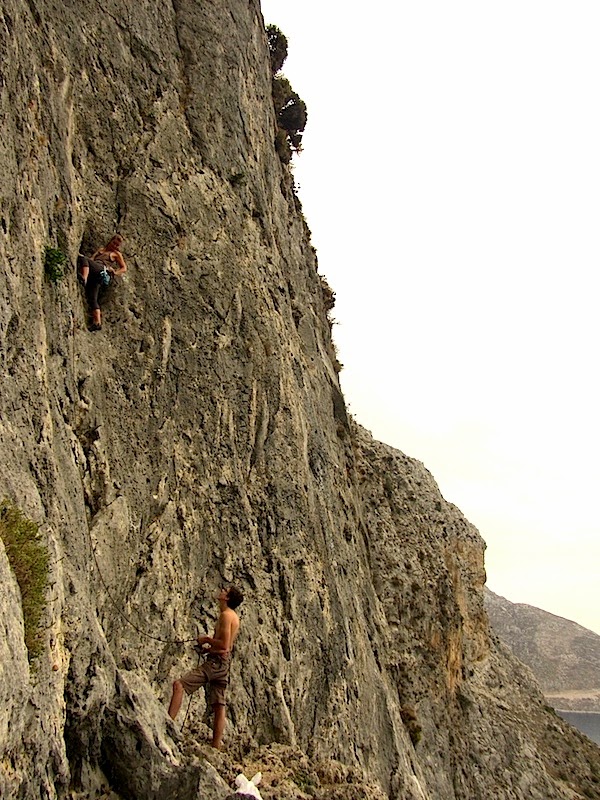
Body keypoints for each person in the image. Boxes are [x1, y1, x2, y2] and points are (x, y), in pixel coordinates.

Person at [168, 586, 244, 749]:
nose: (221, 591)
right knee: (219, 705)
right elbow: (227, 647)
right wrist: (208, 649)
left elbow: (224, 644)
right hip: (223, 664)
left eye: (225, 591)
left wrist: (206, 640)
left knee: (179, 685)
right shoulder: (234, 617)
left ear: (227, 598)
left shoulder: (225, 616)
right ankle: (215, 746)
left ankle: (167, 725)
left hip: (215, 663)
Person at [77, 234, 128, 331]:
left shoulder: (116, 254)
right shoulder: (101, 250)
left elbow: (124, 268)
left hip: (102, 270)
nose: (114, 246)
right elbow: (92, 260)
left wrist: (115, 273)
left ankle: (84, 278)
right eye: (114, 243)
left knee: (83, 259)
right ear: (110, 240)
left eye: (117, 245)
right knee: (92, 298)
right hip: (95, 272)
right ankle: (97, 322)